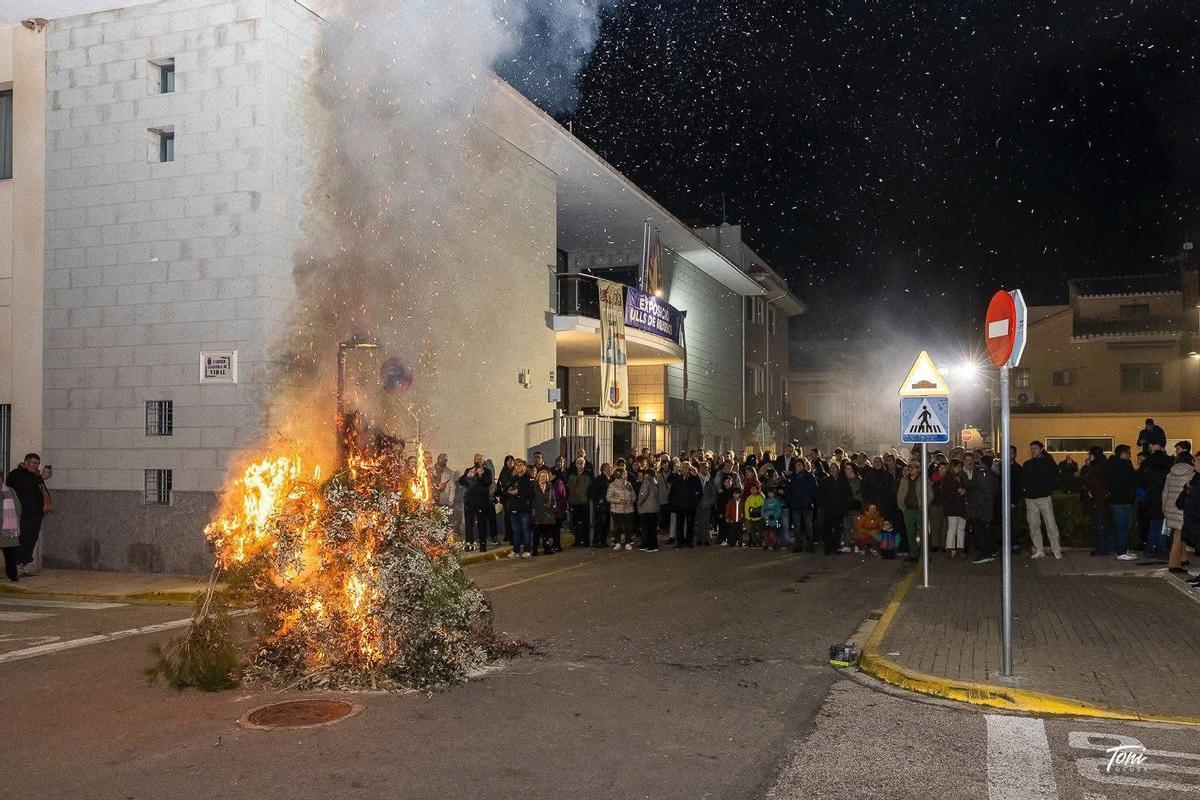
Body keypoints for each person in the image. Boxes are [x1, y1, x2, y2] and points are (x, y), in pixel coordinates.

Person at [6, 453, 50, 575]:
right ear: (26, 462)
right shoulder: (16, 474)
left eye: (38, 464)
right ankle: (16, 564)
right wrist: (41, 477)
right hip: (22, 513)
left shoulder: (34, 475)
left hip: (35, 513)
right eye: (34, 463)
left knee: (32, 538)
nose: (36, 466)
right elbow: (26, 486)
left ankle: (24, 563)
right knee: (22, 538)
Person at [1022, 441, 1062, 559]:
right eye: (1031, 448)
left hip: (1043, 497)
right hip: (1030, 498)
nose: (1033, 450)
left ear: (1041, 449)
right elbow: (1024, 479)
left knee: (1050, 524)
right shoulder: (1027, 464)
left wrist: (1047, 490)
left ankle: (1056, 550)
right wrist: (1025, 491)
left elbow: (1054, 478)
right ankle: (1039, 550)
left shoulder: (1049, 463)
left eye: (1035, 448)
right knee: (1033, 525)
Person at [1163, 453, 1195, 573]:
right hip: (1184, 508)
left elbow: (1165, 493)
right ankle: (1174, 564)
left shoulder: (1170, 474)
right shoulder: (1192, 474)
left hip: (1172, 508)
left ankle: (1183, 558)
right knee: (1178, 536)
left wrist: (1165, 509)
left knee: (1179, 533)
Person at [1106, 445, 1138, 561]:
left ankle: (1122, 549)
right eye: (1128, 453)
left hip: (1116, 500)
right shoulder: (1125, 465)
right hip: (1123, 500)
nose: (1130, 455)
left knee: (1122, 527)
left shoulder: (1111, 465)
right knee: (1123, 527)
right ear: (1123, 453)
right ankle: (1121, 551)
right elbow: (1131, 481)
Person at [1139, 449, 1172, 559]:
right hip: (1163, 502)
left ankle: (1150, 550)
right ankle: (1161, 550)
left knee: (1153, 527)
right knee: (1163, 528)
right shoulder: (1166, 472)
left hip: (1151, 502)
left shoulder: (1148, 471)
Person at [966, 455, 999, 564]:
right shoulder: (993, 475)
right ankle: (991, 551)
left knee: (980, 531)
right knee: (986, 530)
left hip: (979, 508)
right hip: (987, 507)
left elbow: (970, 485)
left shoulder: (981, 474)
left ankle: (985, 554)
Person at [1081, 447, 1112, 556]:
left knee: (1100, 527)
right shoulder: (1102, 465)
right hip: (1101, 502)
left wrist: (1093, 497)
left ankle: (1101, 549)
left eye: (1090, 455)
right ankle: (1102, 549)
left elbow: (1097, 486)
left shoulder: (1097, 467)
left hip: (1098, 502)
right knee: (1101, 526)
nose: (1089, 457)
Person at [457, 454, 493, 552]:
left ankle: (482, 546)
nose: (478, 461)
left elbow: (488, 483)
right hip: (469, 502)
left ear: (483, 461)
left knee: (482, 524)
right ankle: (469, 544)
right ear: (474, 460)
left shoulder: (487, 472)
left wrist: (481, 475)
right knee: (469, 524)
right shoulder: (469, 470)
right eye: (476, 459)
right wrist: (467, 476)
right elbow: (461, 481)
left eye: (480, 460)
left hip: (481, 502)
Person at [785, 458, 818, 553]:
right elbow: (788, 491)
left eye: (800, 465)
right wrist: (791, 500)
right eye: (797, 465)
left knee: (808, 526)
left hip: (807, 506)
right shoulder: (792, 477)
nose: (798, 467)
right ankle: (799, 545)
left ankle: (810, 545)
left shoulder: (810, 476)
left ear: (804, 466)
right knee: (797, 527)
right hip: (795, 506)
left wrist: (809, 500)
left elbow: (814, 490)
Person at [896, 460, 927, 562]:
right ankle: (913, 553)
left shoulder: (923, 479)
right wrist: (902, 507)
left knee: (922, 532)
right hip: (908, 510)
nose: (911, 469)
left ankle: (923, 553)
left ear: (918, 469)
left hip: (920, 510)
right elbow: (900, 494)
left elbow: (930, 494)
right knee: (910, 532)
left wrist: (924, 506)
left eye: (914, 467)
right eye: (910, 467)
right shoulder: (904, 480)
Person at [816, 465, 851, 555]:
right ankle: (828, 548)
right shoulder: (825, 481)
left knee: (838, 530)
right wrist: (823, 505)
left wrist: (845, 506)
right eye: (831, 468)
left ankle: (836, 548)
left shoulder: (843, 481)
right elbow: (820, 495)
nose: (832, 470)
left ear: (838, 470)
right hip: (828, 510)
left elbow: (848, 494)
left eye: (834, 468)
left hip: (839, 510)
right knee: (826, 529)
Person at [668, 461, 703, 548]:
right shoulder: (677, 478)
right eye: (683, 467)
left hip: (690, 506)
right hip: (679, 506)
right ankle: (680, 543)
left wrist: (695, 502)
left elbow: (700, 491)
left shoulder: (694, 478)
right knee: (679, 525)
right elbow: (671, 492)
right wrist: (673, 504)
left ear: (690, 469)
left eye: (687, 467)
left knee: (690, 525)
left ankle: (689, 542)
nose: (684, 469)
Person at [504, 459, 535, 558]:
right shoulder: (514, 478)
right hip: (514, 508)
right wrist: (509, 490)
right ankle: (516, 551)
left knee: (526, 530)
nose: (518, 467)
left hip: (524, 509)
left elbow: (530, 493)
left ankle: (527, 550)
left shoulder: (529, 479)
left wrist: (519, 492)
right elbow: (507, 487)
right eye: (516, 465)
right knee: (516, 531)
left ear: (525, 467)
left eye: (520, 465)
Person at [941, 459, 968, 559]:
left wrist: (964, 491)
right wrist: (958, 492)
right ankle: (950, 548)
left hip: (961, 506)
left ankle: (960, 547)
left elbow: (967, 487)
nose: (960, 469)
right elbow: (946, 493)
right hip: (952, 506)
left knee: (961, 528)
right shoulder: (947, 478)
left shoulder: (961, 476)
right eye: (958, 467)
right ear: (953, 467)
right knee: (952, 528)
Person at [607, 467, 637, 551]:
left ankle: (627, 542)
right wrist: (619, 501)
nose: (626, 475)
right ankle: (618, 543)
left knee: (629, 526)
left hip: (629, 509)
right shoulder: (612, 485)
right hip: (617, 510)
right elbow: (608, 497)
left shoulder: (629, 484)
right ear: (619, 475)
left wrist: (631, 500)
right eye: (624, 474)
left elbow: (634, 495)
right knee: (618, 527)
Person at [566, 457, 593, 548]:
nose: (579, 465)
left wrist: (587, 496)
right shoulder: (571, 476)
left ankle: (586, 541)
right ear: (575, 464)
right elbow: (568, 488)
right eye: (578, 463)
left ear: (584, 465)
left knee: (585, 523)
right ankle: (577, 541)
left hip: (584, 502)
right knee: (575, 523)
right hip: (574, 502)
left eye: (581, 463)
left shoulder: (588, 475)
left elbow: (591, 488)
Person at [531, 468, 559, 556]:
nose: (542, 478)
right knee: (536, 533)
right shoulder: (534, 487)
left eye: (544, 476)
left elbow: (553, 498)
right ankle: (534, 550)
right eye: (541, 476)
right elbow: (531, 499)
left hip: (548, 514)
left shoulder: (550, 486)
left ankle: (547, 549)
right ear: (538, 477)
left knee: (547, 534)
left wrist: (553, 507)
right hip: (538, 513)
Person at [636, 467, 661, 552]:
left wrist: (639, 503)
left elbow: (643, 494)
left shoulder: (646, 482)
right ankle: (652, 545)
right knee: (652, 528)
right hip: (654, 508)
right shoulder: (655, 482)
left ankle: (652, 546)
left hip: (647, 508)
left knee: (649, 528)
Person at [2, 472, 21, 582]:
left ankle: (12, 575)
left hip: (8, 529)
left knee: (10, 553)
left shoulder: (9, 491)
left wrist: (13, 522)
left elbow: (17, 507)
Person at [590, 463, 612, 549]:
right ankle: (597, 542)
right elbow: (591, 490)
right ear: (604, 469)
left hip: (605, 506)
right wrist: (598, 499)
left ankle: (603, 541)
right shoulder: (600, 479)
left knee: (605, 524)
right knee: (600, 524)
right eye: (609, 468)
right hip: (601, 506)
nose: (611, 469)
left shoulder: (607, 479)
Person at [495, 455, 517, 543]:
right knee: (507, 518)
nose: (510, 462)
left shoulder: (516, 471)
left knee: (513, 518)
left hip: (514, 498)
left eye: (512, 460)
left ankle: (513, 536)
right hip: (506, 498)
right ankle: (508, 535)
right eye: (508, 461)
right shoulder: (504, 471)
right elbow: (501, 484)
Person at [696, 461, 717, 546]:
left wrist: (711, 501)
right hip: (698, 503)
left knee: (706, 522)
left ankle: (706, 539)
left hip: (707, 504)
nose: (704, 469)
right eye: (702, 467)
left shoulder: (710, 479)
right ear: (699, 468)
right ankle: (699, 539)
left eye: (706, 467)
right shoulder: (696, 478)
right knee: (699, 522)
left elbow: (714, 492)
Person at [744, 481, 765, 548]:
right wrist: (748, 516)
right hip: (751, 518)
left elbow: (764, 507)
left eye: (754, 489)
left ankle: (760, 542)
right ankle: (754, 542)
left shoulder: (761, 497)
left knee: (760, 532)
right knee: (752, 532)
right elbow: (746, 508)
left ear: (758, 489)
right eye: (751, 489)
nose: (752, 490)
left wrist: (763, 516)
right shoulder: (749, 498)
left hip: (760, 518)